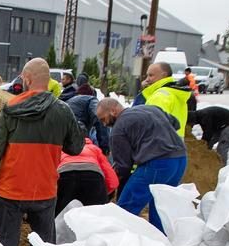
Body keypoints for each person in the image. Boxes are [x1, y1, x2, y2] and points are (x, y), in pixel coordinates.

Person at [0, 58, 84, 246]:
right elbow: (75, 147)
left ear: (27, 79)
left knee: (7, 244)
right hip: (44, 188)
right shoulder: (62, 110)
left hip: (11, 189)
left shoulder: (10, 108)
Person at [97, 97, 188, 234]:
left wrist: (112, 184)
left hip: (157, 163)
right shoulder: (150, 108)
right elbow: (175, 123)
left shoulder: (118, 129)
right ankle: (160, 241)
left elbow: (124, 166)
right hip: (180, 159)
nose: (104, 124)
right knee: (160, 205)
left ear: (114, 111)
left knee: (127, 206)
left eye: (103, 119)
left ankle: (116, 240)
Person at [56, 137, 118, 215]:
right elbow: (111, 179)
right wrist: (104, 194)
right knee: (97, 217)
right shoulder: (94, 149)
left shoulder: (59, 148)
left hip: (65, 175)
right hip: (93, 177)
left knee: (61, 216)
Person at [135, 61, 191, 139]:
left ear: (163, 75)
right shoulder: (173, 92)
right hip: (175, 141)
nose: (147, 79)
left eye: (151, 75)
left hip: (159, 143)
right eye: (147, 76)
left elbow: (153, 125)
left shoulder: (160, 96)